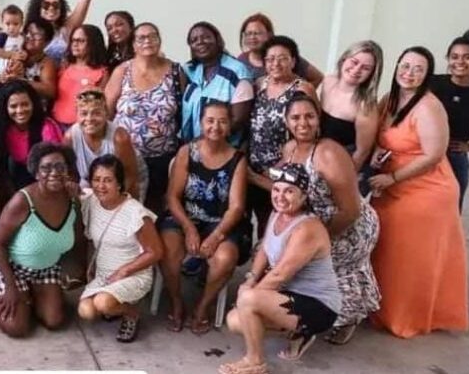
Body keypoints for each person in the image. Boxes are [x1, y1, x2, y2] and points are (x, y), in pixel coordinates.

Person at [368, 47, 468, 339]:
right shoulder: (389, 99)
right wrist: (377, 152)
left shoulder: (428, 106)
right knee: (384, 244)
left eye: (418, 69)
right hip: (390, 182)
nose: (409, 73)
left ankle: (405, 315)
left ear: (427, 75)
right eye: (405, 65)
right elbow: (381, 136)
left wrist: (393, 177)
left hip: (426, 187)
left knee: (407, 254)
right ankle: (377, 305)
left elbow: (433, 155)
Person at [280, 94, 380, 345]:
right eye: (295, 117)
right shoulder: (289, 149)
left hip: (348, 226)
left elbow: (350, 210)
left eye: (309, 116)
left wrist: (317, 242)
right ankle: (305, 313)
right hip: (314, 224)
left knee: (314, 264)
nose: (303, 123)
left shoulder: (329, 153)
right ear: (286, 121)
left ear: (319, 119)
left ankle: (346, 318)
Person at [222, 163, 342, 373]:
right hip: (290, 294)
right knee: (234, 320)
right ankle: (297, 332)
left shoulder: (307, 228)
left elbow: (279, 274)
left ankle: (255, 361)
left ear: (304, 196)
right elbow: (265, 249)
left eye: (289, 191)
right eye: (276, 190)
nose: (280, 197)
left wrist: (250, 296)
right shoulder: (277, 214)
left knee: (247, 302)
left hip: (319, 305)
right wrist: (250, 279)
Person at [162, 101, 250, 335]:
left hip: (220, 222)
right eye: (210, 120)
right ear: (201, 123)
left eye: (222, 121)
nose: (215, 127)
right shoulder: (187, 152)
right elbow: (172, 197)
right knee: (168, 249)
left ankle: (202, 307)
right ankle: (176, 302)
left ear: (230, 126)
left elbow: (236, 207)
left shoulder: (237, 159)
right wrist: (188, 228)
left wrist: (216, 236)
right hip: (185, 216)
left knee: (225, 258)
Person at [0, 142, 82, 338]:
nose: (54, 173)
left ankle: (31, 293)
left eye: (60, 167)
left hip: (46, 267)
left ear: (68, 171)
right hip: (11, 267)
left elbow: (78, 235)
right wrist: (11, 287)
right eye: (46, 168)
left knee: (54, 321)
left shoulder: (72, 199)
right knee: (17, 327)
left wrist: (81, 270)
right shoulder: (22, 201)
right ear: (36, 173)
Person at [76, 155, 162, 343]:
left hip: (133, 274)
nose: (101, 186)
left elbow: (155, 252)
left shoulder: (135, 213)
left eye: (108, 180)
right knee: (86, 311)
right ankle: (113, 303)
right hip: (105, 276)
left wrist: (124, 271)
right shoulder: (91, 200)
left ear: (119, 184)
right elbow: (72, 191)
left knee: (102, 303)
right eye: (96, 180)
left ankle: (131, 313)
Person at [107, 22, 182, 213]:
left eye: (153, 36)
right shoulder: (122, 71)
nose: (147, 41)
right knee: (126, 208)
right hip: (125, 156)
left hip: (162, 158)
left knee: (156, 212)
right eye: (141, 38)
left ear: (159, 40)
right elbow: (107, 110)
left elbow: (184, 112)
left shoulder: (175, 71)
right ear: (133, 44)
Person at [246, 36, 316, 233]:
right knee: (255, 220)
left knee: (278, 224)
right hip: (253, 167)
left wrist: (280, 165)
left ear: (293, 61)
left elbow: (311, 132)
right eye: (270, 59)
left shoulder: (302, 88)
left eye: (282, 58)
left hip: (283, 170)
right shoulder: (260, 84)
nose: (275, 64)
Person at [430, 29, 469, 210]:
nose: (460, 62)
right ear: (448, 59)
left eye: (467, 57)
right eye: (454, 57)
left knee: (450, 209)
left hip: (454, 156)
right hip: (422, 150)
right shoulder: (433, 83)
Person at [180, 21, 254, 146]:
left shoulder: (237, 71)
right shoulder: (190, 72)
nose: (200, 42)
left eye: (206, 37)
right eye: (194, 40)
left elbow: (238, 119)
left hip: (225, 150)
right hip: (192, 149)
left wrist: (205, 143)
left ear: (218, 40)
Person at [64, 90, 142, 199]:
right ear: (77, 115)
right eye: (84, 113)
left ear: (106, 114)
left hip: (123, 183)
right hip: (89, 183)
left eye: (96, 113)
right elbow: (69, 175)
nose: (89, 119)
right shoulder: (70, 137)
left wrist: (116, 201)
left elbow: (130, 177)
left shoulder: (120, 138)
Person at [319, 40, 383, 172]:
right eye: (354, 62)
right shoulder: (328, 81)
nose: (357, 69)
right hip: (318, 154)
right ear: (344, 59)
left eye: (366, 68)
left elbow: (362, 152)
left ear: (372, 74)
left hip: (343, 163)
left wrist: (346, 179)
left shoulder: (366, 106)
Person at [0, 80, 62, 194]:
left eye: (25, 104)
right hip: (20, 173)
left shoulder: (47, 129)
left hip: (48, 175)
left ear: (33, 104)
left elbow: (55, 167)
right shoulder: (4, 129)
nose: (20, 111)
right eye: (13, 106)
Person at [236, 13, 323, 86]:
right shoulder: (241, 60)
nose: (252, 37)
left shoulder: (285, 58)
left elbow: (317, 77)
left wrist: (299, 95)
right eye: (248, 33)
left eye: (257, 33)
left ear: (269, 34)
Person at [51, 24, 109, 127]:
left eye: (81, 41)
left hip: (83, 126)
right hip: (56, 123)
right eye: (73, 40)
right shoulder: (64, 66)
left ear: (93, 43)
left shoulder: (102, 72)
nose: (75, 44)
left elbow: (102, 104)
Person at [0, 20, 57, 100]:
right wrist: (3, 78)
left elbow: (50, 91)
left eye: (36, 35)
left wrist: (20, 81)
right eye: (27, 32)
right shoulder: (15, 53)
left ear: (47, 42)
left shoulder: (46, 62)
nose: (29, 37)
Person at [0, 5, 25, 78]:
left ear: (21, 24)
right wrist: (11, 54)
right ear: (2, 23)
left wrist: (23, 53)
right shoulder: (2, 36)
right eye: (7, 24)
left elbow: (21, 49)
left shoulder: (21, 37)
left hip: (11, 64)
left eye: (15, 24)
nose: (11, 27)